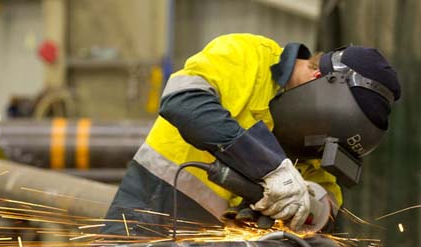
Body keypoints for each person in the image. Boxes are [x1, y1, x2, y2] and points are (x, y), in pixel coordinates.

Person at [103, 33, 400, 236]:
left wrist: (312, 206)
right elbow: (182, 101)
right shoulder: (246, 56)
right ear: (319, 79)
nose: (317, 153)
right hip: (150, 212)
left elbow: (329, 202)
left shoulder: (314, 140)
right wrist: (270, 168)